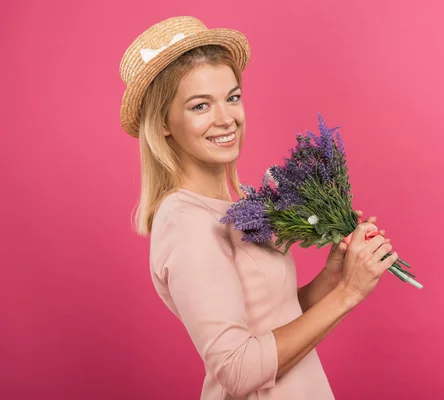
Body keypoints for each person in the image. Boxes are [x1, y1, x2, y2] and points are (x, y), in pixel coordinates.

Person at [118, 16, 399, 400]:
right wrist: (347, 293)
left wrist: (333, 278)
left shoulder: (229, 208)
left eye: (232, 97)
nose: (226, 118)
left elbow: (272, 321)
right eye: (200, 106)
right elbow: (237, 368)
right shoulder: (185, 223)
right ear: (164, 122)